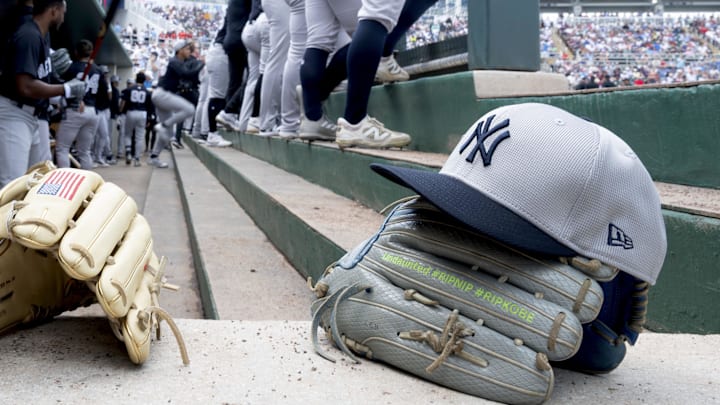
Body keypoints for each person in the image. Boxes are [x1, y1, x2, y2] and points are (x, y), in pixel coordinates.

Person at [0, 0, 85, 187]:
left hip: (33, 116)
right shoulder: (28, 35)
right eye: (63, 11)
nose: (64, 17)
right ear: (53, 11)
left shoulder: (41, 36)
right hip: (14, 113)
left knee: (38, 181)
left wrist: (63, 98)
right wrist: (66, 89)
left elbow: (41, 85)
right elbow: (26, 86)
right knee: (11, 185)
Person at [150, 39, 204, 168]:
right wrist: (202, 63)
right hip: (162, 94)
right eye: (186, 49)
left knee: (167, 133)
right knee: (190, 109)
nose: (189, 51)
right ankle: (164, 124)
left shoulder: (179, 62)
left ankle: (154, 156)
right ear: (179, 50)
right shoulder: (174, 61)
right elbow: (186, 74)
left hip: (162, 95)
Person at [54, 39, 104, 169]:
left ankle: (64, 184)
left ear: (76, 52)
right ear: (91, 52)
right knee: (85, 151)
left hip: (75, 108)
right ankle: (88, 185)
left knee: (62, 149)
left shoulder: (71, 67)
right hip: (92, 110)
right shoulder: (98, 69)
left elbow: (61, 87)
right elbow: (103, 94)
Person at [215, 0, 251, 130]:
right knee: (253, 77)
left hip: (230, 41)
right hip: (241, 41)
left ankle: (229, 115)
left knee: (234, 81)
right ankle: (231, 111)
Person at [120, 71, 151, 166]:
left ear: (136, 79)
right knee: (139, 137)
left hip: (131, 112)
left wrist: (120, 111)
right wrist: (149, 118)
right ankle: (137, 158)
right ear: (144, 80)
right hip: (142, 113)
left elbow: (123, 102)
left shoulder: (130, 89)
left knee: (128, 134)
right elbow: (149, 105)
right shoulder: (146, 91)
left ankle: (129, 152)